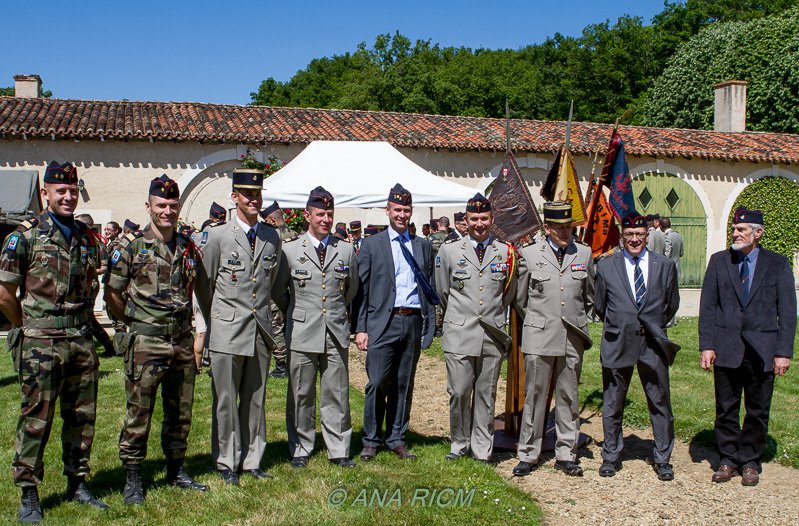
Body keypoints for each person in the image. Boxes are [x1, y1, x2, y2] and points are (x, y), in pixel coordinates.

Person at [0, 161, 108, 522]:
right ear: (45, 193)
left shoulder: (87, 236)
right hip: (41, 343)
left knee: (81, 416)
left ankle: (77, 483)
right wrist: (28, 327)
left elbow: (92, 280)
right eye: (61, 190)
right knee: (36, 417)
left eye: (73, 191)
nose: (68, 197)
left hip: (80, 339)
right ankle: (29, 493)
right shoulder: (24, 236)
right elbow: (4, 293)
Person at [105, 175, 208, 505]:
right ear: (148, 206)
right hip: (146, 344)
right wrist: (135, 323)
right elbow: (112, 294)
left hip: (181, 341)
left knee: (180, 412)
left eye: (173, 205)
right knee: (139, 412)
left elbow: (196, 291)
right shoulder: (131, 247)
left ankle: (176, 469)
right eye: (161, 205)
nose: (167, 211)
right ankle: (133, 476)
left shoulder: (188, 247)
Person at [193, 168, 282, 485]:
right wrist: (217, 319)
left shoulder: (272, 236)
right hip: (227, 330)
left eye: (257, 194)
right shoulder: (217, 236)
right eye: (247, 194)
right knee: (226, 401)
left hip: (259, 330)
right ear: (234, 197)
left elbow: (271, 281)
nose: (253, 199)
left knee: (255, 399)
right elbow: (204, 285)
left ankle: (252, 459)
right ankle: (227, 461)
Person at [699, 206, 795, 486]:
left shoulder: (778, 264)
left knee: (758, 410)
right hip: (726, 347)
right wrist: (707, 345)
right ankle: (728, 459)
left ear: (758, 233)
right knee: (726, 408)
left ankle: (751, 461)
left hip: (762, 349)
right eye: (733, 229)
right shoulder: (719, 261)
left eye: (741, 229)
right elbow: (708, 307)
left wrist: (783, 352)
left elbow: (788, 312)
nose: (735, 233)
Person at [273, 187, 359, 468]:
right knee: (301, 392)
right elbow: (279, 291)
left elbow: (351, 289)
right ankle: (300, 447)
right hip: (302, 330)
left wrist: (334, 312)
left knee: (337, 392)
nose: (326, 219)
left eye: (329, 214)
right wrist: (298, 314)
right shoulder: (289, 250)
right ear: (307, 215)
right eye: (320, 214)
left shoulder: (345, 249)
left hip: (335, 330)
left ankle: (339, 448)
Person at [594, 212, 680, 481]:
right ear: (622, 236)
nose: (634, 239)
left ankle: (663, 458)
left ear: (647, 236)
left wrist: (651, 325)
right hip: (618, 341)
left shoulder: (664, 265)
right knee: (613, 401)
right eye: (629, 235)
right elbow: (600, 306)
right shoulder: (607, 266)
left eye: (639, 235)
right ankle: (611, 455)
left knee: (660, 402)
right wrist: (622, 322)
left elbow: (671, 304)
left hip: (652, 343)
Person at [354, 183, 436, 461]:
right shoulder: (372, 244)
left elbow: (428, 288)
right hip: (382, 323)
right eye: (397, 209)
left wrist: (429, 325)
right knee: (377, 382)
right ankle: (371, 439)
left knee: (403, 383)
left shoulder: (423, 246)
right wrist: (361, 328)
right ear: (387, 210)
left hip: (411, 321)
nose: (402, 215)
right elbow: (361, 290)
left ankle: (397, 438)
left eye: (406, 210)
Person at [434, 193, 518, 463]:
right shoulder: (449, 251)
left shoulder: (505, 252)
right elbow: (443, 292)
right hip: (460, 332)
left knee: (486, 394)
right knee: (459, 392)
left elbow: (508, 292)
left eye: (484, 218)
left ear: (492, 219)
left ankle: (482, 449)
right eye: (474, 219)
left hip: (492, 334)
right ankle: (459, 444)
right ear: (466, 220)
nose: (479, 224)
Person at [513, 201, 594, 477]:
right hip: (539, 335)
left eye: (568, 226)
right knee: (535, 397)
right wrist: (540, 319)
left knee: (569, 397)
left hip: (572, 336)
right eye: (559, 227)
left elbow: (589, 295)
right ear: (547, 228)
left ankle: (566, 453)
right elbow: (521, 299)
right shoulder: (529, 254)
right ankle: (528, 454)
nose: (565, 232)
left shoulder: (583, 252)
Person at [260, 200, 296, 379]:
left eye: (267, 221)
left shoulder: (273, 238)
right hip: (293, 289)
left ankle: (281, 365)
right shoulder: (295, 235)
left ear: (273, 220)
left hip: (276, 289)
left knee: (276, 327)